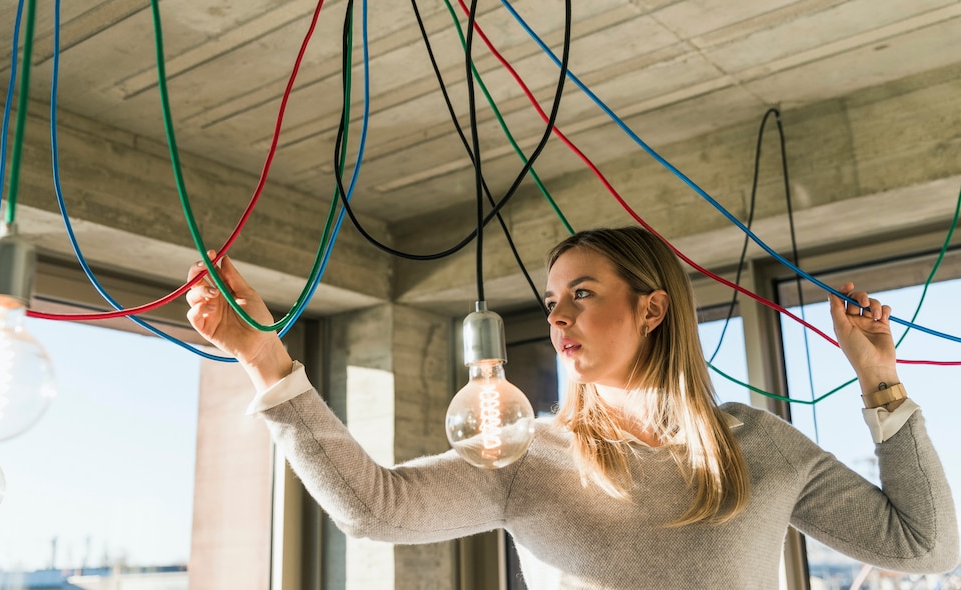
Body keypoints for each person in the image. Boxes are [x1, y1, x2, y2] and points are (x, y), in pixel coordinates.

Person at [185, 226, 958, 588]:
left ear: (653, 311)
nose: (557, 319)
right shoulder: (526, 450)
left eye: (582, 296)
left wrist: (878, 380)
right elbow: (375, 509)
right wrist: (267, 362)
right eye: (553, 301)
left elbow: (926, 548)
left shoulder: (761, 445)